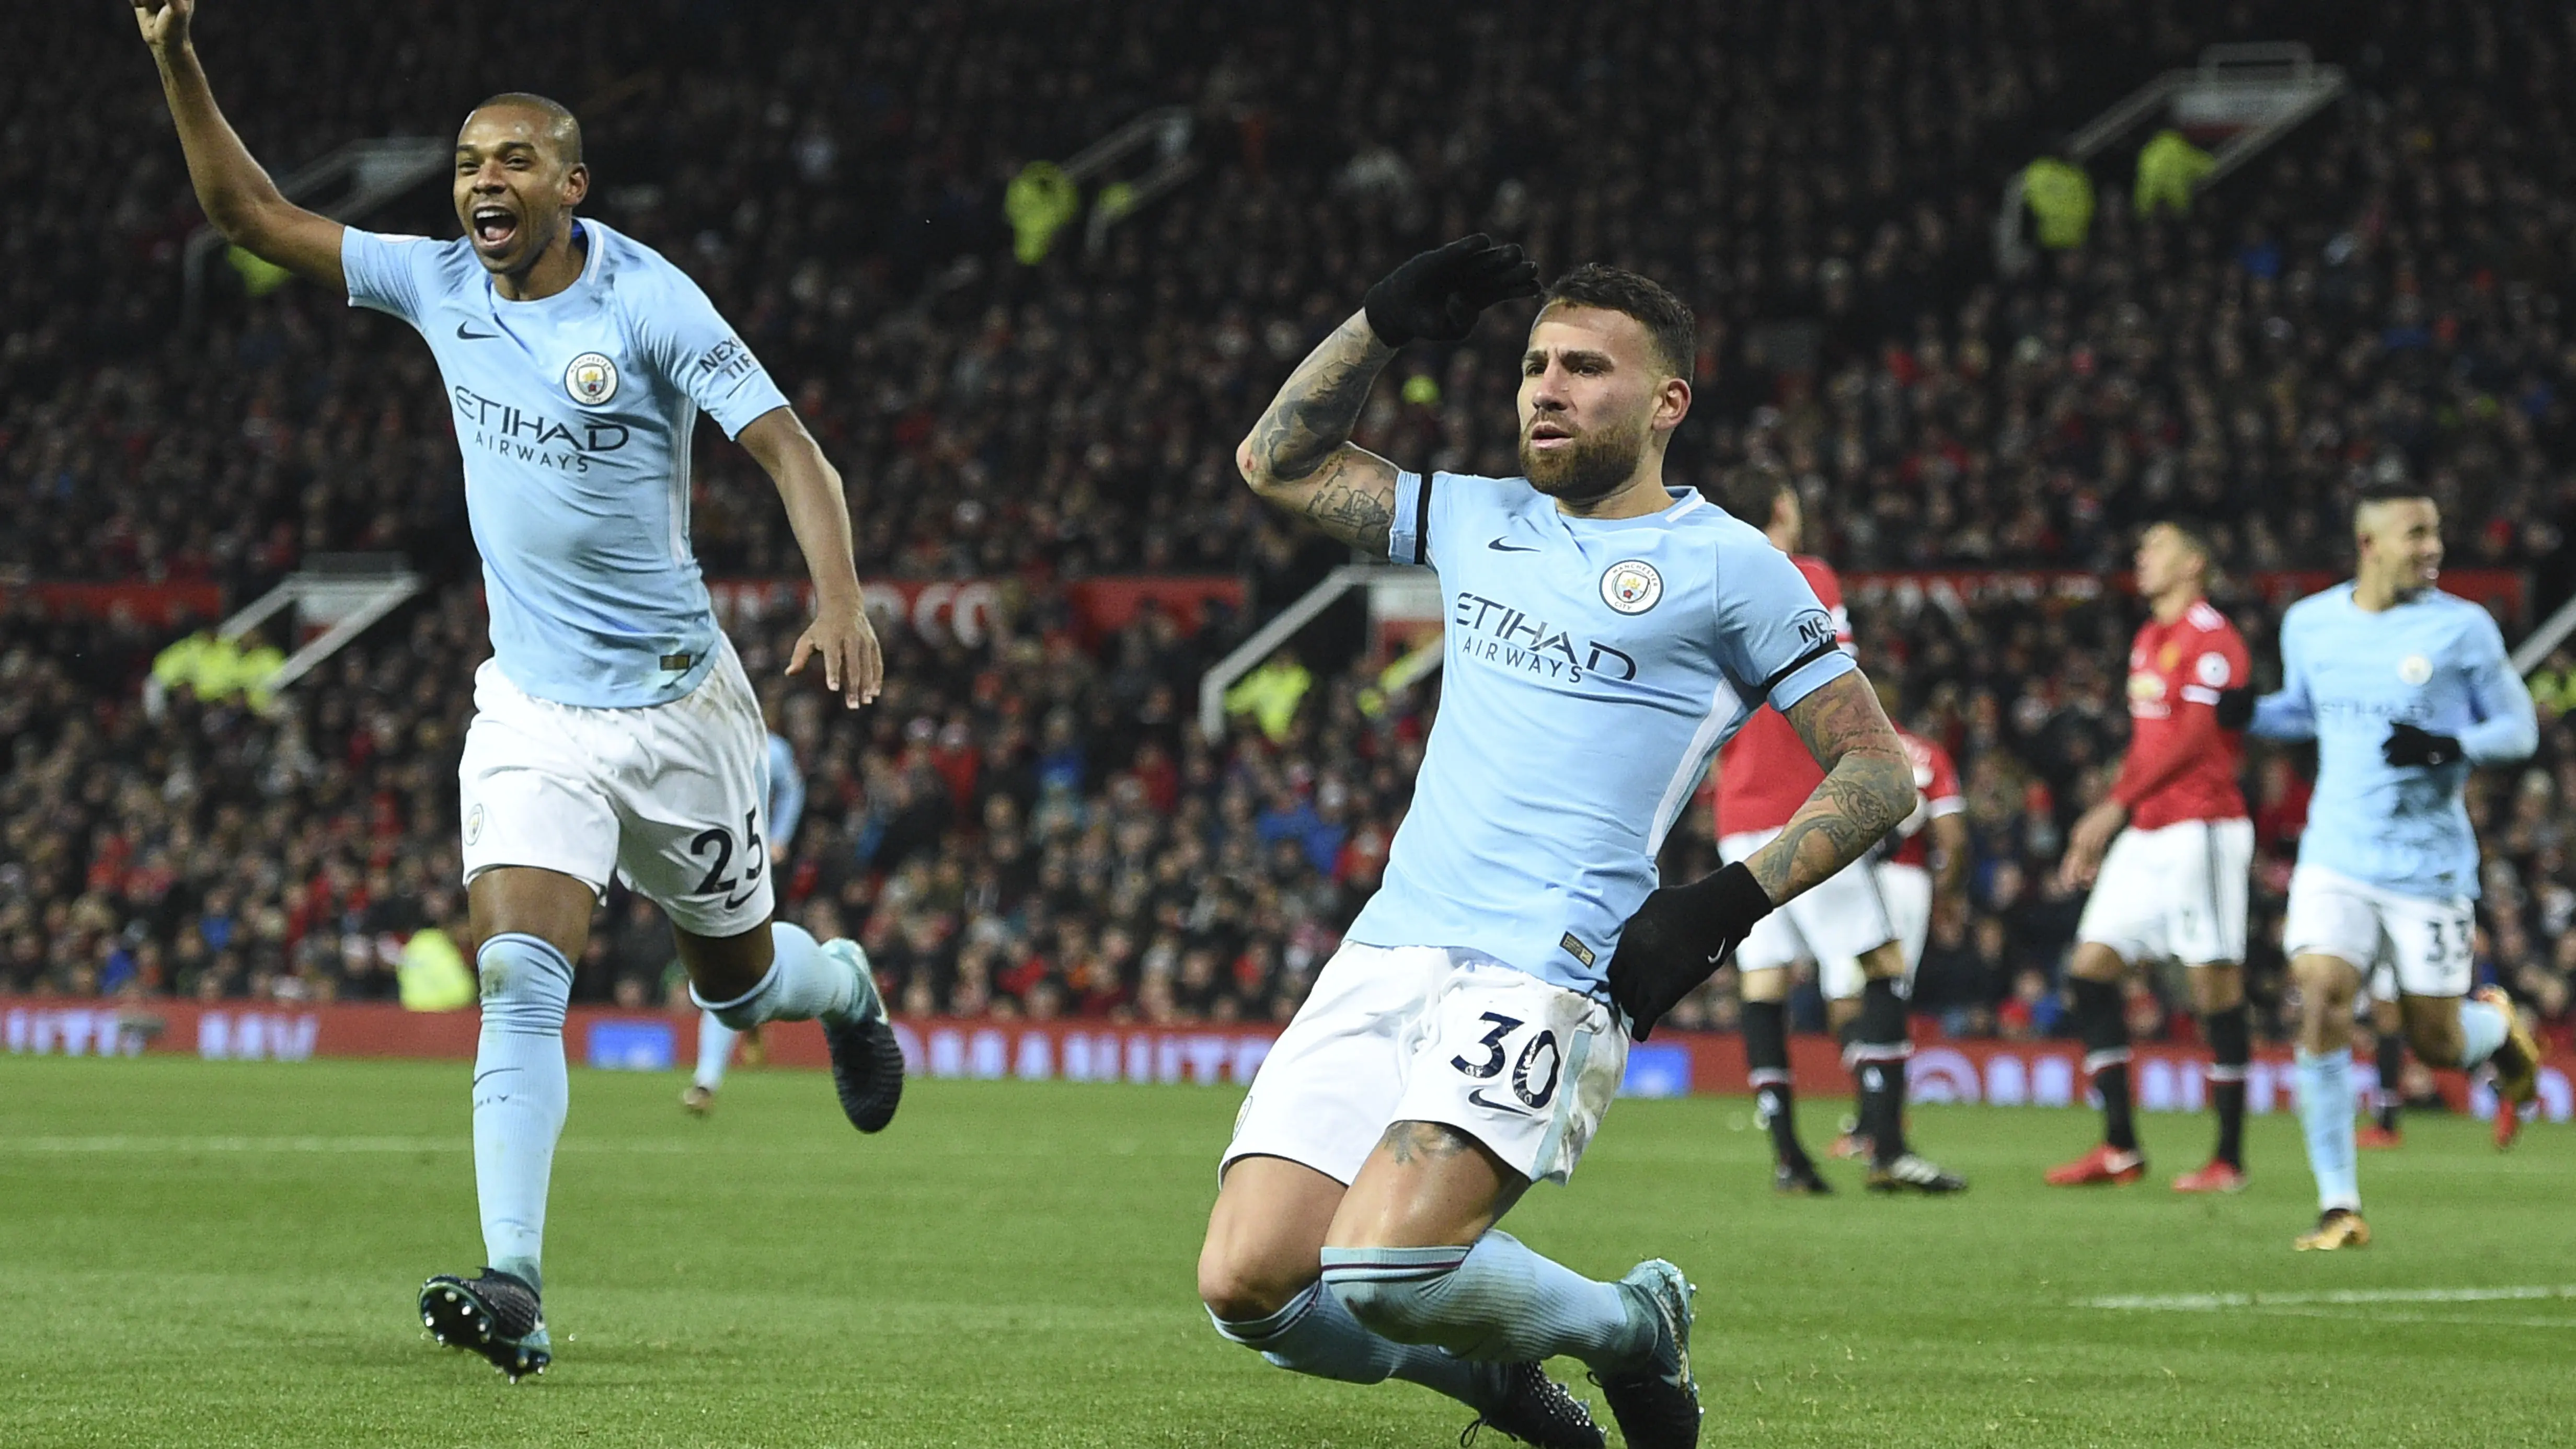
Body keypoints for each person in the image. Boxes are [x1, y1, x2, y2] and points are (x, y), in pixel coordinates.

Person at [133, 0, 906, 1379]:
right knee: (517, 972)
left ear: (570, 185)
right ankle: (517, 1280)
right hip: (536, 713)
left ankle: (841, 989)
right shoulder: (436, 282)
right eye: (467, 161)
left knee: (735, 992)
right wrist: (173, 57)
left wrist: (837, 592)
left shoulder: (649, 299)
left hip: (680, 710)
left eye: (512, 161)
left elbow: (793, 451)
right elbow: (250, 215)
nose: (483, 180)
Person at [1195, 238, 1918, 1449]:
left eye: (1586, 368)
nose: (1546, 387)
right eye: (1535, 364)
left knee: (1379, 1270)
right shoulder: (1478, 517)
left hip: (1549, 961)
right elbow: (1275, 464)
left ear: (1666, 401)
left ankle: (1633, 1326)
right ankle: (1491, 1384)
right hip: (1391, 945)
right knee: (1249, 1287)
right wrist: (1375, 322)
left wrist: (1721, 903)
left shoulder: (1733, 566)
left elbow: (1879, 768)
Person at [2227, 482, 2542, 1250]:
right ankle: (2340, 1204)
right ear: (2370, 545)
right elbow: (2308, 709)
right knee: (2322, 995)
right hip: (2336, 854)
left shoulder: (2463, 629)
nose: (2432, 548)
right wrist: (2251, 714)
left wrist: (2450, 746)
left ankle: (2493, 1028)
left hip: (2427, 867)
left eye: (2435, 533)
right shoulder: (2311, 623)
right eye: (2416, 534)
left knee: (2434, 1043)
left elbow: (2520, 728)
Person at [1708, 465, 1965, 1197]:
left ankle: (1790, 1157)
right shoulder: (1805, 573)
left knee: (1765, 981)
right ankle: (1886, 1148)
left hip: (1738, 815)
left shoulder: (1714, 578)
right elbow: (1831, 677)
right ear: (1784, 508)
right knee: (1882, 965)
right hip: (1807, 806)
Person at [2046, 523, 2258, 1193]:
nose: (2141, 556)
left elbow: (2196, 741)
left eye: (2156, 547)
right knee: (2089, 970)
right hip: (2147, 828)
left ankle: (2227, 1158)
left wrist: (2110, 807)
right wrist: (2113, 818)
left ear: (2194, 562)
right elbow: (2147, 746)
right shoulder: (2147, 640)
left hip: (2204, 831)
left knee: (2212, 989)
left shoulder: (2213, 640)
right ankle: (2119, 1147)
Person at [1828, 715, 1969, 1163]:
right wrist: (1946, 894)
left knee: (1845, 999)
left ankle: (1877, 1119)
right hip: (1911, 883)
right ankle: (1878, 1115)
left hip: (1856, 876)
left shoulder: (1845, 748)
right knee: (1886, 996)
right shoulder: (1930, 755)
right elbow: (1954, 839)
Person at [684, 695, 806, 1114]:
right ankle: (718, 1063)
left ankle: (709, 1077)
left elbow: (794, 791)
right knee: (724, 970)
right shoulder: (705, 749)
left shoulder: (774, 751)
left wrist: (779, 840)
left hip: (754, 870)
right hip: (712, 869)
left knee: (729, 969)